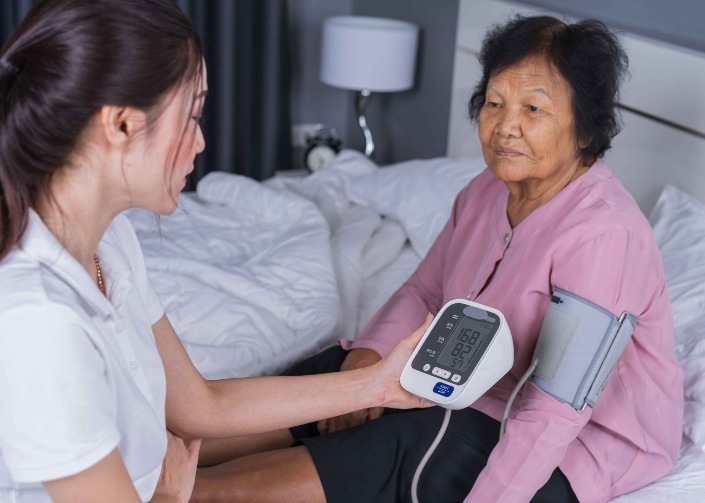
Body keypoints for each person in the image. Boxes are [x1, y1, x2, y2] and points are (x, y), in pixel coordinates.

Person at [190, 15, 684, 503]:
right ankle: (151, 458)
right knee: (331, 377)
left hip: (577, 440)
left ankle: (185, 491)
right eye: (494, 102)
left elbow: (554, 412)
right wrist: (365, 363)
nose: (505, 127)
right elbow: (425, 291)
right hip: (461, 378)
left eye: (534, 109)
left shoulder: (604, 237)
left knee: (397, 444)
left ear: (584, 129)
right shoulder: (486, 190)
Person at [0, 1, 431, 502]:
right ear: (119, 126)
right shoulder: (40, 322)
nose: (201, 143)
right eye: (191, 116)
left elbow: (201, 405)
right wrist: (172, 496)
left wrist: (379, 384)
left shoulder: (109, 239)